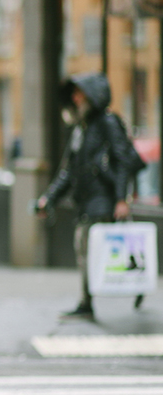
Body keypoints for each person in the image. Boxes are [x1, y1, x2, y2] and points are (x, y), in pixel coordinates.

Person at [36, 72, 138, 320]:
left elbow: (123, 160)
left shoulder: (107, 123)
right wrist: (48, 198)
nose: (75, 97)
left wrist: (121, 198)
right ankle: (92, 299)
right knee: (89, 251)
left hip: (102, 199)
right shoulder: (81, 129)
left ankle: (87, 302)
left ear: (91, 96)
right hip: (86, 200)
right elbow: (69, 170)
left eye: (79, 93)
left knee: (88, 248)